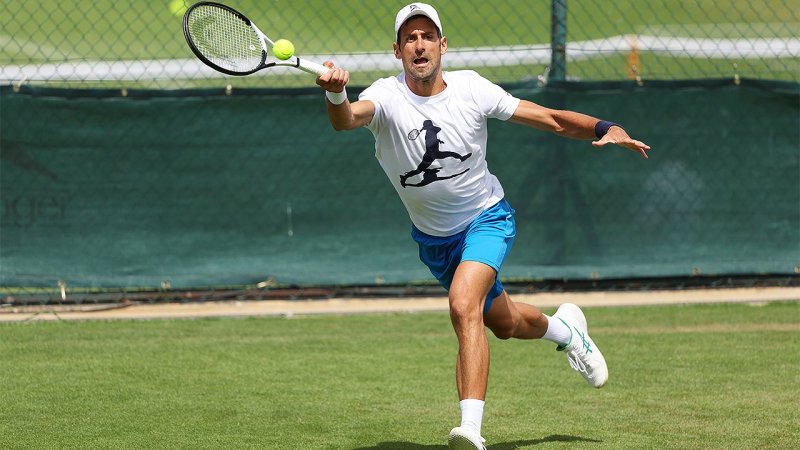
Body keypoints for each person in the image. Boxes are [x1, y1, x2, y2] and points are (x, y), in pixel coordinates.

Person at [315, 3, 651, 449]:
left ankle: (470, 429)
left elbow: (548, 118)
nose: (420, 45)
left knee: (462, 304)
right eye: (410, 38)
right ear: (397, 51)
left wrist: (605, 126)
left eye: (427, 36)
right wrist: (336, 94)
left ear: (442, 45)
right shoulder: (386, 97)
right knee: (505, 323)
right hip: (436, 242)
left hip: (486, 218)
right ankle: (569, 331)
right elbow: (346, 120)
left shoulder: (472, 89)